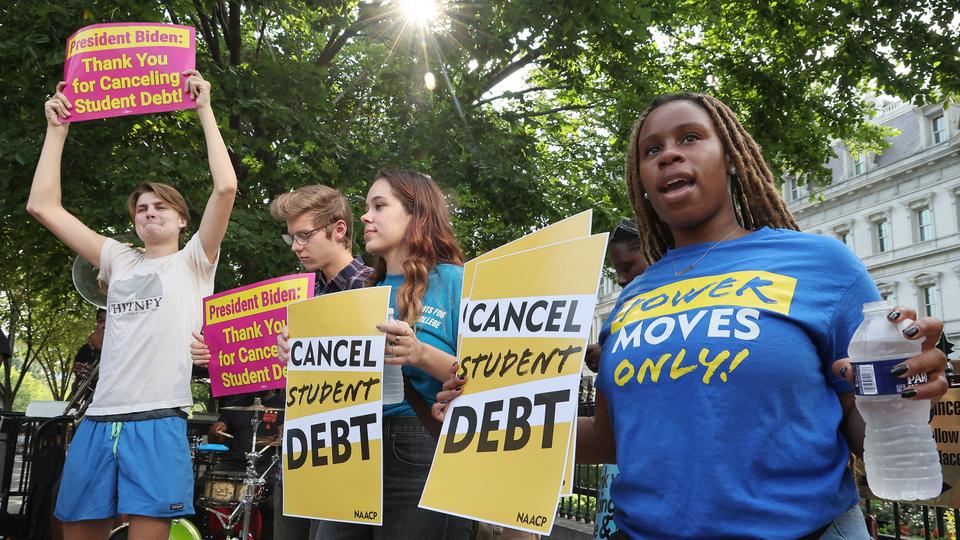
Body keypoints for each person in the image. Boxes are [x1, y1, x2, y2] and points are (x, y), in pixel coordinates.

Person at [435, 93, 949, 539]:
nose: (669, 154)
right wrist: (481, 422)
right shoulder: (630, 300)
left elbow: (863, 422)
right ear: (641, 181)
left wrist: (904, 388)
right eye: (651, 150)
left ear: (729, 157)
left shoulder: (822, 265)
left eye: (690, 138)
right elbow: (612, 439)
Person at [28, 71, 237, 540]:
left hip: (160, 419)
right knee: (76, 532)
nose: (149, 213)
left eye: (160, 207)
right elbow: (43, 207)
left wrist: (204, 108)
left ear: (183, 218)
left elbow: (225, 188)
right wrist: (56, 130)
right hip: (99, 419)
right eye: (141, 208)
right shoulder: (116, 258)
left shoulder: (196, 261)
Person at [278, 169, 473, 539]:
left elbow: (492, 375)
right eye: (366, 207)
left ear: (418, 215)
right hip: (352, 447)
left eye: (379, 206)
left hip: (422, 448)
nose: (365, 216)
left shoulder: (458, 281)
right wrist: (302, 355)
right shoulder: (363, 293)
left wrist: (418, 353)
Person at [191, 183, 371, 540]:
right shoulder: (298, 294)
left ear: (338, 229)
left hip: (347, 453)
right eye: (292, 238)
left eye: (304, 235)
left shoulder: (370, 288)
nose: (297, 247)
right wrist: (213, 358)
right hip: (297, 448)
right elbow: (260, 366)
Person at [585, 219, 648, 373]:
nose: (621, 280)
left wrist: (608, 356)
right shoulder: (627, 304)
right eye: (617, 272)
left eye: (627, 268)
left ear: (651, 252)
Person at [70, 308, 106, 396]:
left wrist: (102, 349)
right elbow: (75, 395)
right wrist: (78, 379)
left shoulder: (127, 347)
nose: (103, 326)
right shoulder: (85, 350)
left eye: (108, 321)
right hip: (93, 407)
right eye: (100, 321)